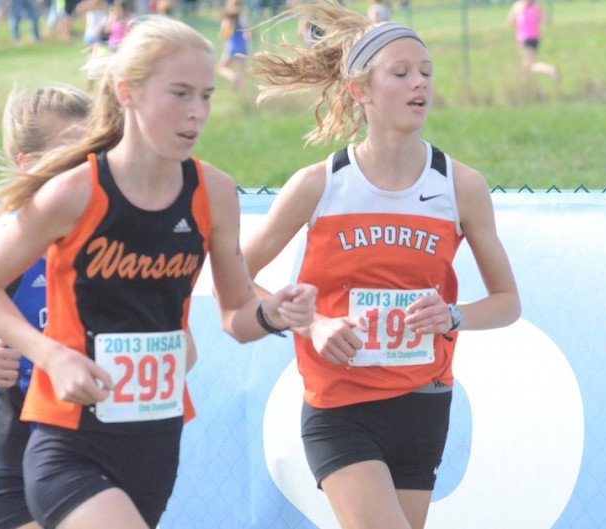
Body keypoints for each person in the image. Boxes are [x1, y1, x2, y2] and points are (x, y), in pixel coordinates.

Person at [0, 15, 317, 529]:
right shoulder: (75, 192)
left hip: (155, 444)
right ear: (126, 92)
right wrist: (51, 354)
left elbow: (236, 315)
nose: (197, 114)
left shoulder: (213, 192)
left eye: (206, 96)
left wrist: (275, 313)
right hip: (69, 442)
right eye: (180, 94)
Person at [246, 4, 521, 528]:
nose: (420, 83)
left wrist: (453, 314)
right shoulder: (319, 185)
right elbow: (236, 278)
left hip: (423, 404)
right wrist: (313, 321)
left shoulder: (460, 187)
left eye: (426, 71)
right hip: (340, 406)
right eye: (401, 73)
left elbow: (508, 302)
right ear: (361, 91)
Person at [0, 83, 92, 529]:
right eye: (72, 152)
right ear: (29, 166)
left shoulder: (116, 239)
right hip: (13, 463)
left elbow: (184, 350)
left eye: (97, 149)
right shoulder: (6, 241)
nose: (88, 166)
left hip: (100, 455)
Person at [507, 0, 559, 82]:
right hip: (535, 38)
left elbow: (510, 23)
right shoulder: (536, 6)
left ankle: (551, 70)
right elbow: (547, 20)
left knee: (531, 65)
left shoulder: (517, 6)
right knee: (525, 65)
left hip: (524, 38)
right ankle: (526, 86)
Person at [216, 0, 252, 91]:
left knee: (221, 68)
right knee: (241, 73)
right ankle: (243, 93)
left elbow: (225, 34)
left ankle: (233, 78)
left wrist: (222, 35)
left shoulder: (228, 19)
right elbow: (249, 35)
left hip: (232, 48)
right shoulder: (242, 18)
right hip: (243, 48)